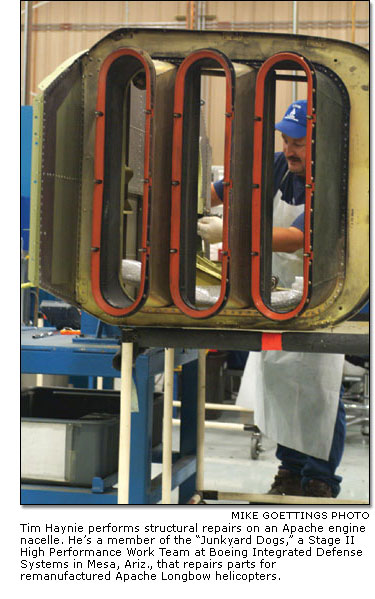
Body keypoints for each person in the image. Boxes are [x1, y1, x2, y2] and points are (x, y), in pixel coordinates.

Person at [197, 100, 346, 498]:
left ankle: (319, 476)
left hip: (322, 300)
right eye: (285, 139)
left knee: (318, 388)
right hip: (276, 298)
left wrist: (227, 234)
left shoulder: (333, 178)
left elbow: (300, 237)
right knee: (280, 383)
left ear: (320, 141)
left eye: (299, 141)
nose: (290, 149)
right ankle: (289, 468)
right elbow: (217, 191)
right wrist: (185, 201)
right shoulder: (277, 166)